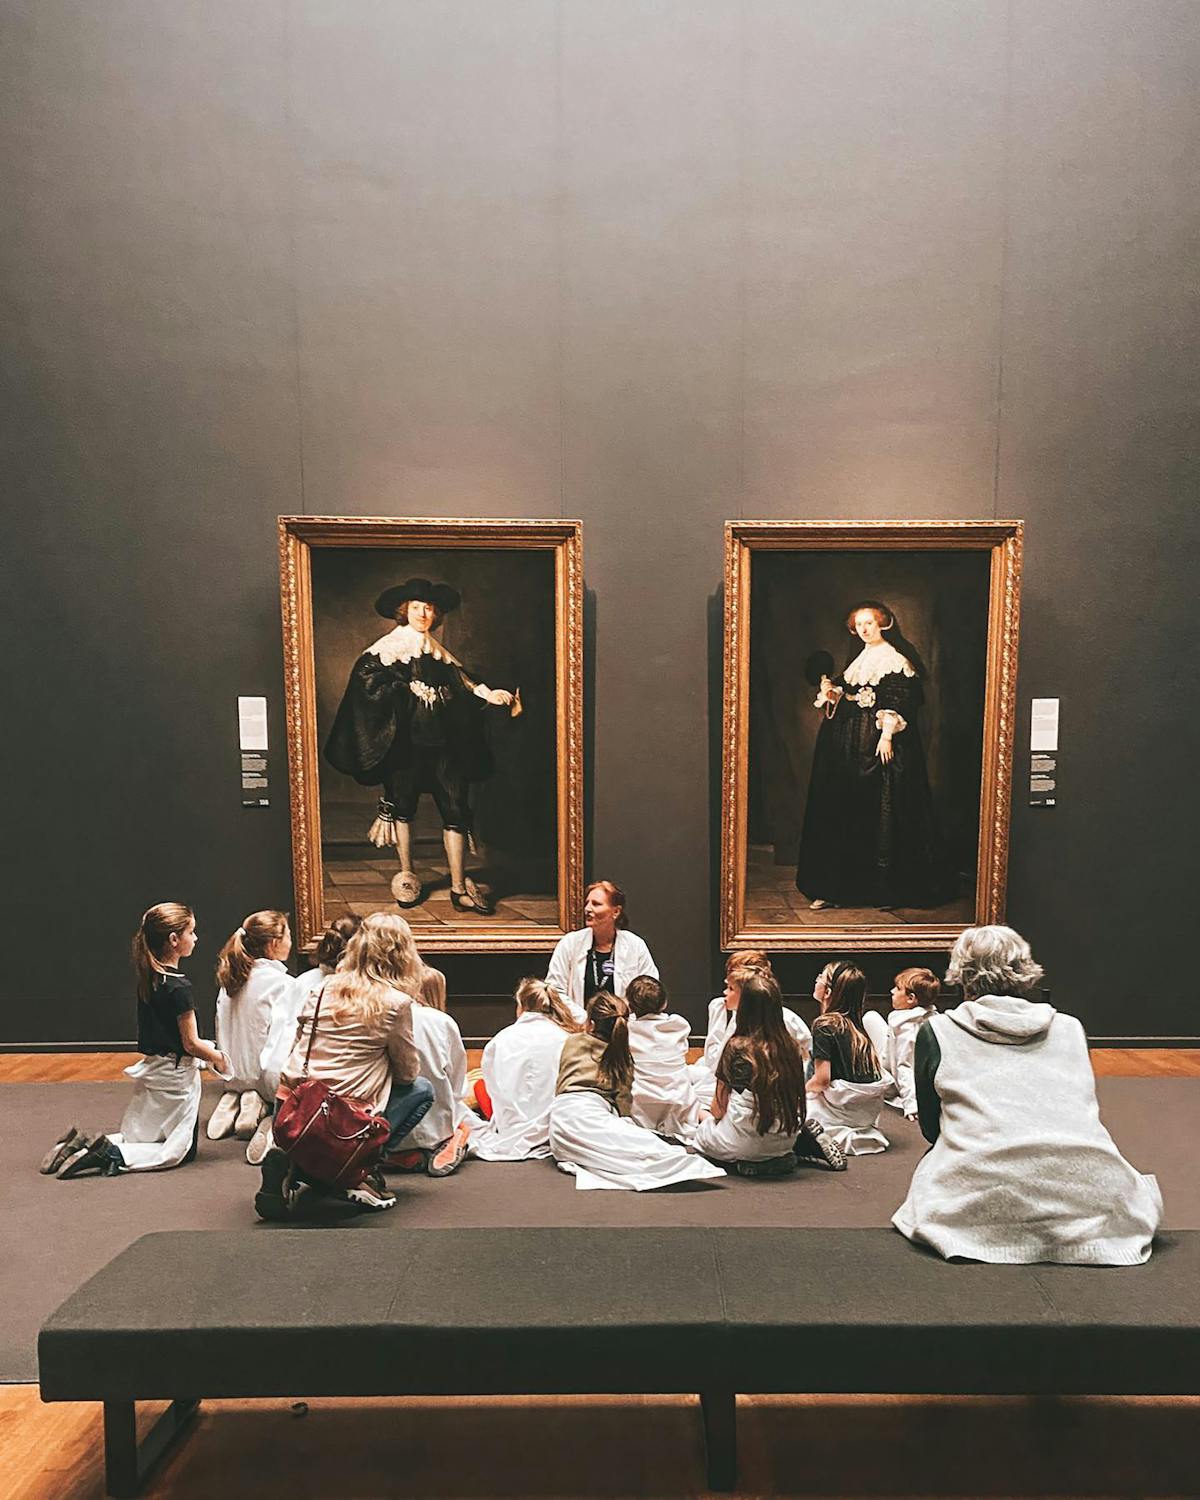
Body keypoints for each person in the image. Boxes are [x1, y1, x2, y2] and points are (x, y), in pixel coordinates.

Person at [893, 926, 1162, 1265]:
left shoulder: (938, 1032)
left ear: (962, 976)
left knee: (936, 1179)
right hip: (1089, 1184)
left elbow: (931, 1129)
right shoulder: (1069, 1028)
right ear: (1026, 972)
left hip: (979, 1186)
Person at [324, 577, 516, 915]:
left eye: (429, 608)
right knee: (404, 805)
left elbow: (465, 682)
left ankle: (458, 886)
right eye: (416, 607)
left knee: (456, 808)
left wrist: (491, 694)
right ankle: (408, 872)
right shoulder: (386, 649)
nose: (423, 613)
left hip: (445, 747)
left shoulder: (439, 653)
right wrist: (404, 690)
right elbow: (366, 684)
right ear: (404, 611)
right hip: (405, 746)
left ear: (436, 613)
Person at [255, 912, 434, 1219]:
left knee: (320, 1093)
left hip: (291, 1105)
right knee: (422, 1089)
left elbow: (298, 1041)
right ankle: (356, 1167)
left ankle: (296, 1161)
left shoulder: (322, 987)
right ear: (403, 955)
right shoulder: (396, 1002)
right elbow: (408, 1073)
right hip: (342, 1119)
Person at [48, 904, 231, 1178]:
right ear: (173, 939)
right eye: (191, 932)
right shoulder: (180, 988)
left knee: (143, 1135)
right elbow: (190, 1043)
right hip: (177, 1075)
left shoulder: (150, 978)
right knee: (177, 1150)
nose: (196, 938)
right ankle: (110, 1153)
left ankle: (81, 1146)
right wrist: (219, 1057)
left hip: (154, 1070)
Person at [796, 600, 948, 911]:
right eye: (859, 625)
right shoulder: (859, 659)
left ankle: (885, 890)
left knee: (882, 807)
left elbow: (901, 699)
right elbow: (848, 690)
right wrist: (831, 691)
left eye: (870, 623)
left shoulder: (895, 660)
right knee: (845, 809)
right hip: (849, 743)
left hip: (877, 741)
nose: (865, 630)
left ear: (883, 624)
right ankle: (839, 888)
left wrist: (888, 734)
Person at [549, 991, 726, 1192]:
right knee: (637, 1147)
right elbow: (623, 1098)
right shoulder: (622, 1054)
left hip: (561, 1120)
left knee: (622, 1147)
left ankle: (678, 1163)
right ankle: (684, 1165)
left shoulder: (572, 1041)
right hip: (589, 1112)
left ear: (591, 1023)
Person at [255, 914, 363, 1166]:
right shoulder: (343, 990)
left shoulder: (300, 981)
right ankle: (295, 1134)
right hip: (303, 1085)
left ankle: (274, 1119)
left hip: (272, 1074)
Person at [693, 973, 807, 1176]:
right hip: (785, 1140)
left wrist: (704, 1116)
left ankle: (746, 1163)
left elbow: (718, 1109)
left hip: (742, 1141)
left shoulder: (737, 1046)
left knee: (700, 1126)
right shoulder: (792, 1047)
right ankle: (775, 1158)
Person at [208, 910, 294, 1163]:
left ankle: (235, 1097)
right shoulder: (282, 983)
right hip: (263, 1076)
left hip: (231, 1072)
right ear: (275, 943)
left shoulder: (230, 979)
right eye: (288, 935)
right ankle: (262, 1107)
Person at [469, 978, 580, 1161]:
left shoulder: (500, 1039)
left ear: (520, 1006)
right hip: (553, 1124)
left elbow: (493, 1087)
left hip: (510, 1124)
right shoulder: (566, 1038)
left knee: (478, 1086)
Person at [689, 951, 812, 1111]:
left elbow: (809, 1058)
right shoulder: (732, 1014)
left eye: (731, 986)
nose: (725, 989)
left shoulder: (786, 1020)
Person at [385, 965, 474, 1177]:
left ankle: (398, 1155)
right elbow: (457, 1085)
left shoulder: (383, 1017)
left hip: (394, 1127)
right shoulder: (442, 1021)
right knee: (466, 1119)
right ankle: (450, 1140)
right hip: (436, 1125)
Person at [806, 961, 895, 1154]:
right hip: (865, 1114)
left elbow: (822, 1080)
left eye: (821, 976)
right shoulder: (857, 1025)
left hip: (838, 1110)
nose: (816, 979)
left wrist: (799, 1093)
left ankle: (815, 1140)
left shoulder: (824, 1026)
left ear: (828, 992)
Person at [545, 881, 658, 1022]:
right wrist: (585, 1020)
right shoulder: (570, 943)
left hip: (625, 1029)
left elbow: (648, 992)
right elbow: (555, 991)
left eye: (596, 904)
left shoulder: (635, 945)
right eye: (587, 903)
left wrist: (619, 1018)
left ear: (616, 912)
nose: (587, 909)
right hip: (578, 1028)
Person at [626, 975, 699, 1141]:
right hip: (679, 1102)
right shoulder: (679, 1025)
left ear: (630, 1005)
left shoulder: (627, 1030)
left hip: (642, 1108)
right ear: (664, 1003)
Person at [879, 966, 940, 1119]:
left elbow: (903, 1066)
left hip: (892, 1080)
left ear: (911, 999)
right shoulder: (931, 1017)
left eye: (898, 988)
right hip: (891, 1059)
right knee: (870, 1018)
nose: (892, 991)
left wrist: (911, 1104)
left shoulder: (907, 1029)